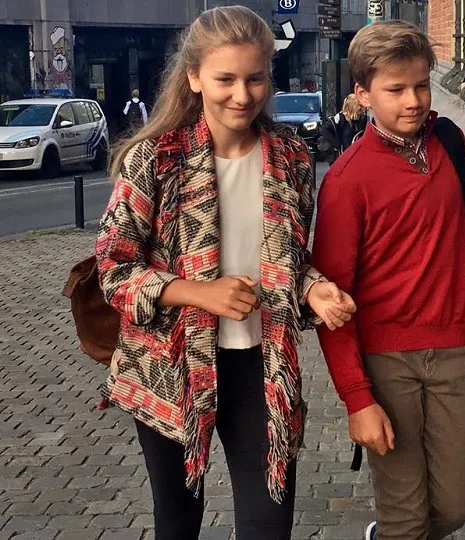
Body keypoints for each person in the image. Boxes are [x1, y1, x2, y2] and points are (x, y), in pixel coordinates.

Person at [96, 6, 355, 540]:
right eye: (225, 79)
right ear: (194, 78)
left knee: (268, 524)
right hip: (167, 367)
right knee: (178, 520)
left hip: (262, 368)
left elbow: (288, 260)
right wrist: (199, 293)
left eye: (255, 78)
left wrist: (315, 290)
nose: (242, 94)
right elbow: (114, 268)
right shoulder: (156, 159)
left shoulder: (291, 157)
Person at [312, 20, 465, 540]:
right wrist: (357, 399)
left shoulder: (449, 139)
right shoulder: (346, 180)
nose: (413, 101)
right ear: (361, 93)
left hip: (456, 348)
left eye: (422, 86)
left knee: (453, 508)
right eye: (396, 89)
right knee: (406, 518)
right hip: (387, 364)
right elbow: (330, 303)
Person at [318, 94, 367, 163]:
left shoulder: (361, 119)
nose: (362, 111)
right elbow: (324, 130)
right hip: (343, 156)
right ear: (353, 107)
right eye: (360, 108)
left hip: (357, 156)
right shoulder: (339, 118)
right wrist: (336, 144)